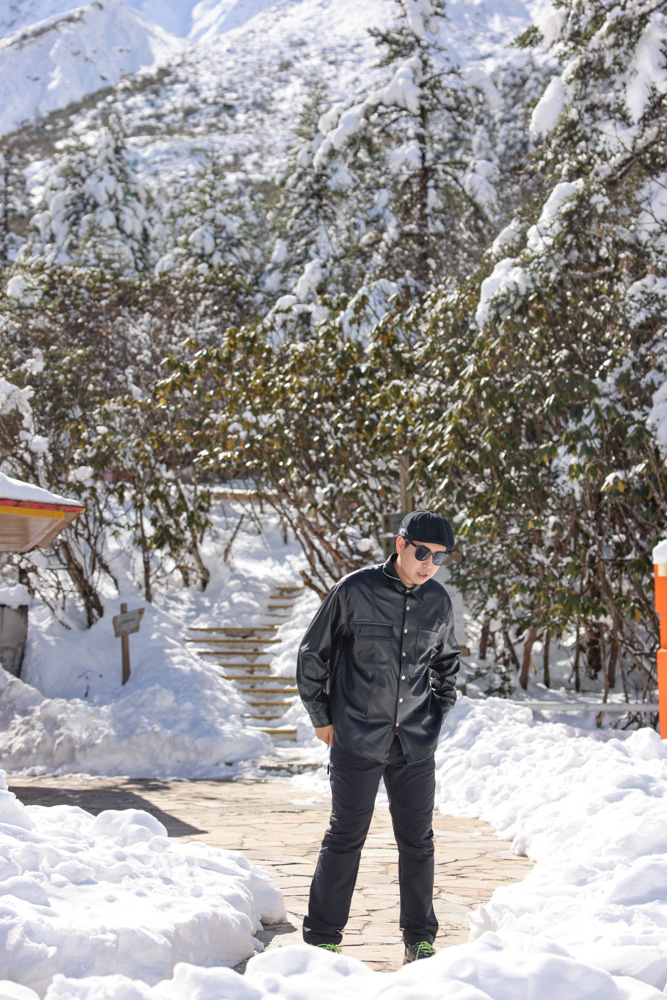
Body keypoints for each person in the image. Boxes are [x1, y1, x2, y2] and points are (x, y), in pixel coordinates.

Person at [296, 509, 460, 964]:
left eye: (440, 557)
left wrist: (436, 714)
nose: (429, 563)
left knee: (418, 840)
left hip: (414, 742)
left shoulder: (438, 602)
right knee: (346, 835)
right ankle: (322, 937)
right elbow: (313, 655)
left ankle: (419, 939)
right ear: (400, 543)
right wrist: (321, 717)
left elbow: (447, 665)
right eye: (422, 552)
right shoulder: (355, 590)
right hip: (356, 738)